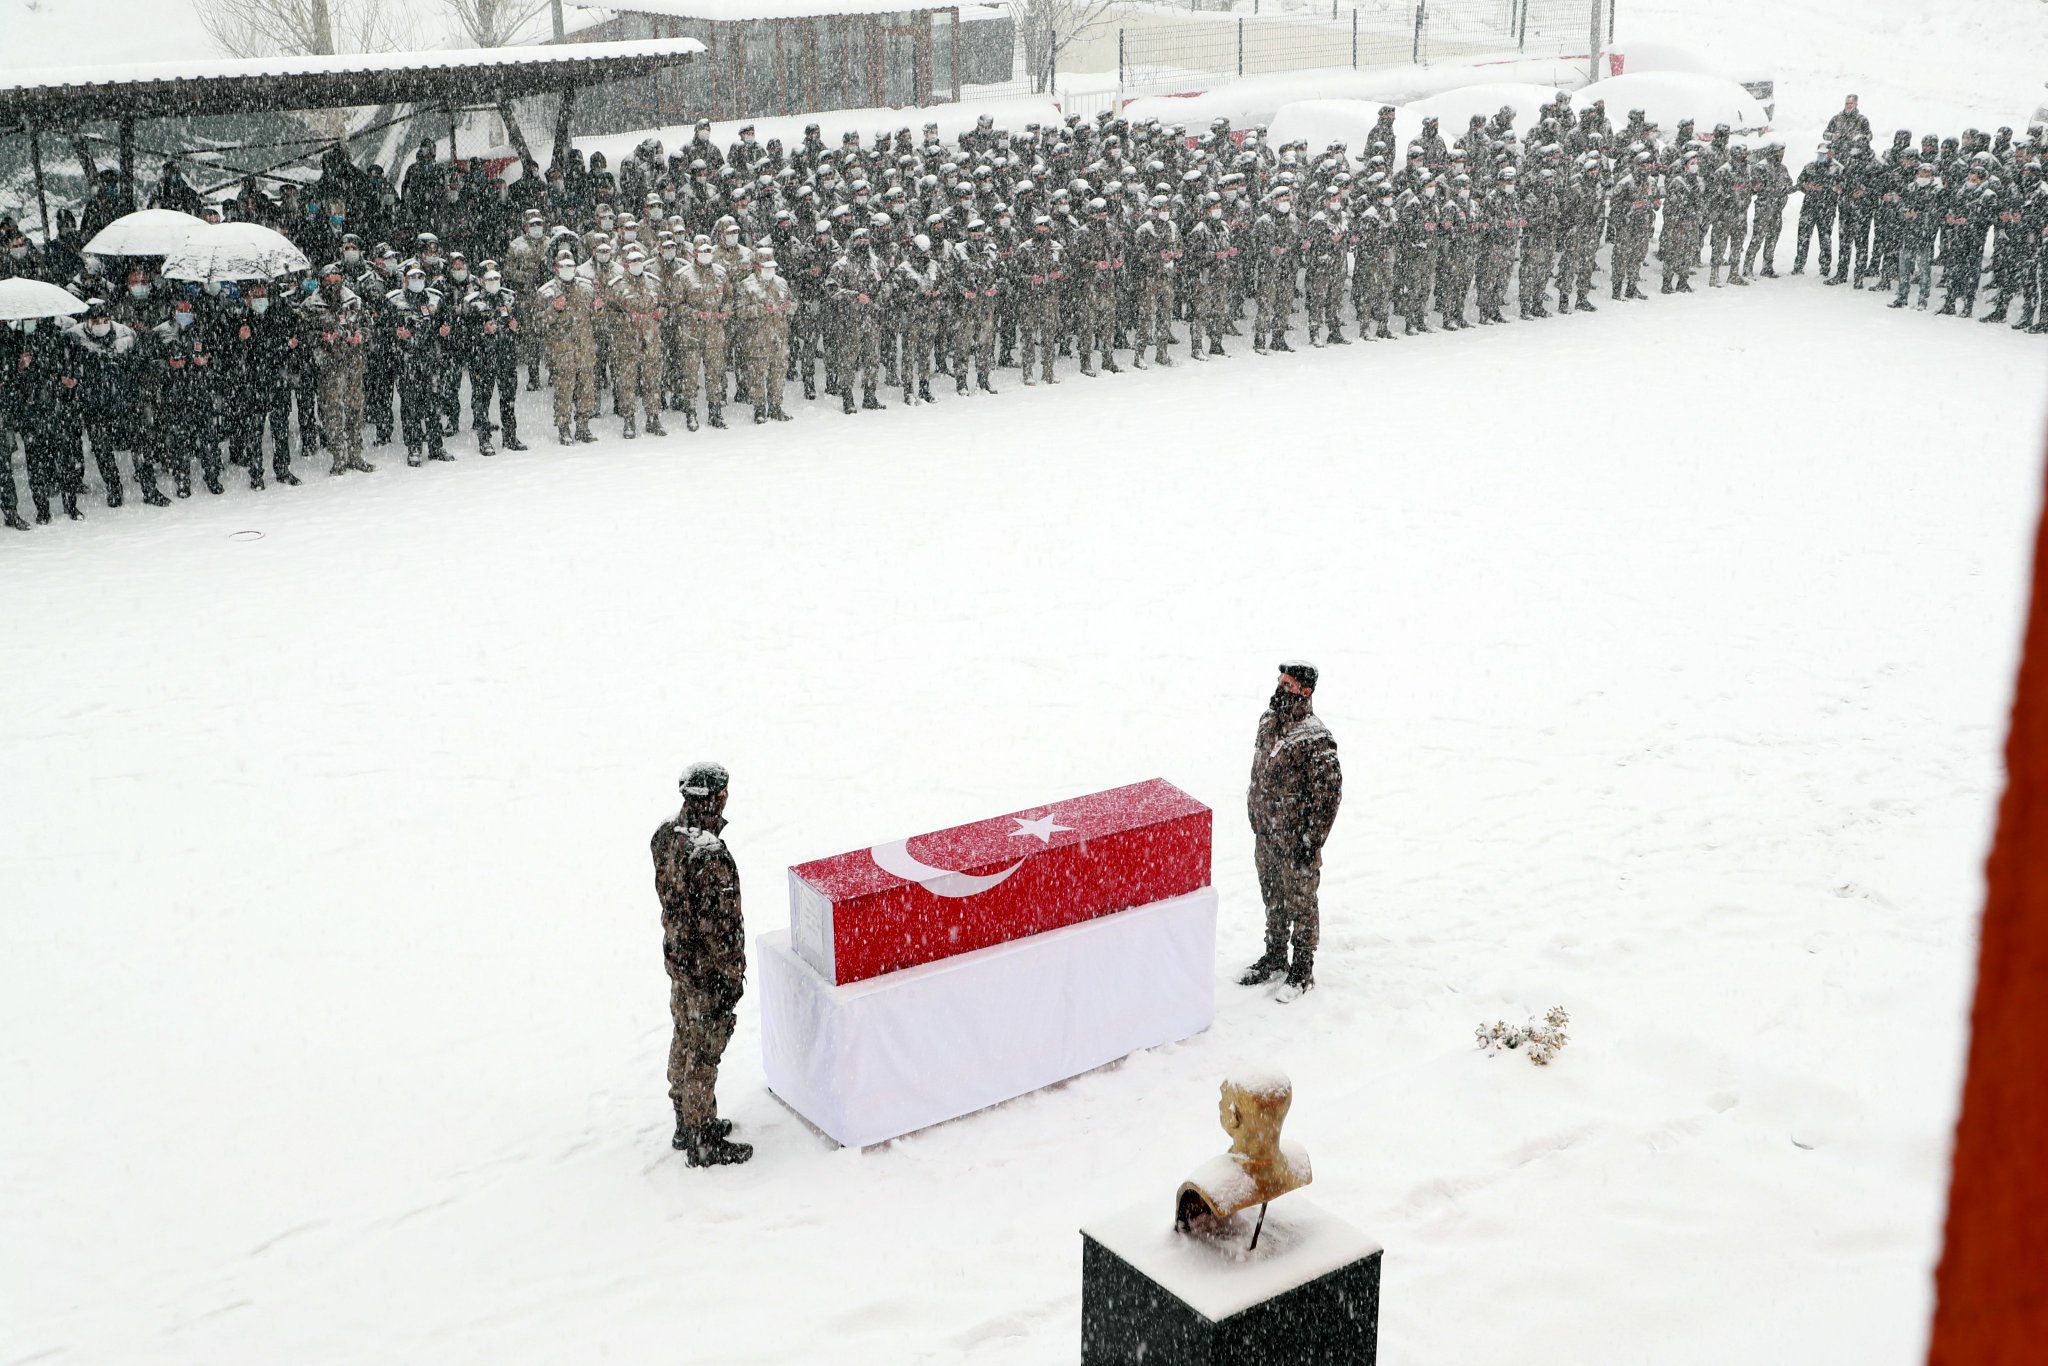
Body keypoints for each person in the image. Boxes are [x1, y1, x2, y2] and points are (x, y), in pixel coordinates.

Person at [652, 762, 752, 1166]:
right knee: (704, 1051)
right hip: (707, 970)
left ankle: (684, 1119)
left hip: (679, 960)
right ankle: (702, 1138)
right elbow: (721, 927)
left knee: (684, 1035)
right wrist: (731, 975)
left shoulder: (664, 837)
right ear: (717, 797)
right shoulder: (709, 854)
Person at [1242, 662, 1343, 1001]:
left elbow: (1327, 799)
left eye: (1288, 683)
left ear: (1305, 691)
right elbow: (1259, 774)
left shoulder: (1317, 739)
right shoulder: (1269, 721)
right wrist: (1256, 817)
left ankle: (1301, 969)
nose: (1280, 687)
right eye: (1280, 681)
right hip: (1266, 834)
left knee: (1300, 903)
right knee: (1273, 898)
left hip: (1296, 841)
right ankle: (1273, 956)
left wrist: (1308, 842)